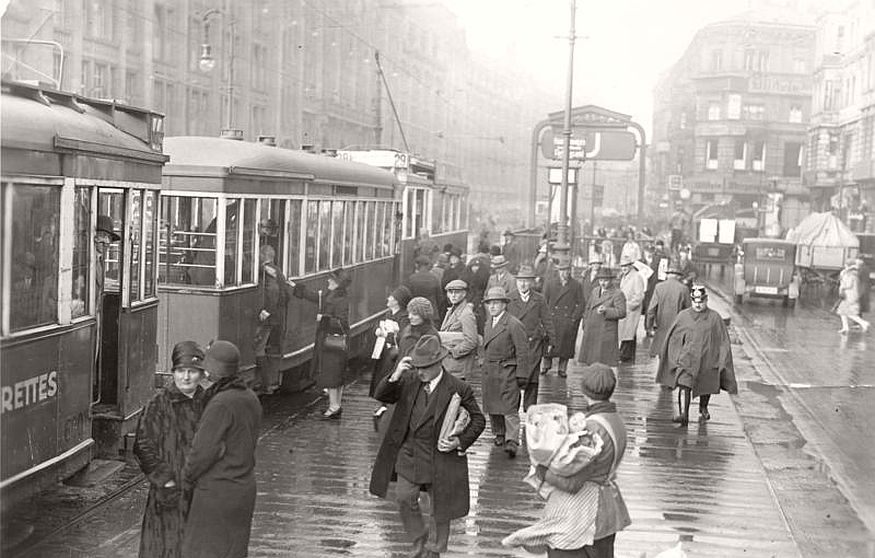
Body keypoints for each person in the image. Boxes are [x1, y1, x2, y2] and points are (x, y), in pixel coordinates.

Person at [369, 335, 486, 558]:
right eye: (417, 366)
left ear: (438, 364)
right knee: (404, 497)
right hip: (409, 452)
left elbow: (479, 420)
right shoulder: (409, 380)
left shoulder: (457, 387)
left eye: (424, 367)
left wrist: (459, 442)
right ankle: (417, 537)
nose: (420, 371)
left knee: (440, 509)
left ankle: (434, 549)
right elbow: (381, 395)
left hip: (440, 457)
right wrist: (395, 375)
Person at [505, 363, 631, 557]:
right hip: (608, 508)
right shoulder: (616, 420)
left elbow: (572, 484)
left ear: (583, 390)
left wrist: (542, 471)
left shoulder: (591, 429)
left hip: (582, 514)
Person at [182, 340, 262, 558]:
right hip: (243, 489)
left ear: (212, 371)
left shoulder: (221, 404)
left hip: (216, 493)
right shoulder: (249, 398)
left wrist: (187, 478)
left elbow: (202, 453)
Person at [134, 341, 207, 558]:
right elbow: (143, 445)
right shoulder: (159, 404)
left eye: (192, 372)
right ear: (173, 373)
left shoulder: (209, 403)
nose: (186, 377)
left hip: (200, 493)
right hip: (168, 494)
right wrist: (165, 480)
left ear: (201, 374)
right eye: (181, 371)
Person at [656, 286, 738, 425]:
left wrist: (722, 360)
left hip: (708, 360)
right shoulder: (683, 316)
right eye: (695, 301)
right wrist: (675, 357)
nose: (698, 304)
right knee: (684, 385)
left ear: (706, 300)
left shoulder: (715, 318)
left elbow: (723, 341)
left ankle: (703, 407)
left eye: (701, 301)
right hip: (687, 360)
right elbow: (674, 338)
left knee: (706, 385)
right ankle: (683, 414)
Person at [289, 268, 351, 418]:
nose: (328, 281)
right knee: (334, 374)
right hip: (330, 339)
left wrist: (323, 318)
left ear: (338, 283)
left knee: (332, 374)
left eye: (331, 279)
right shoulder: (333, 295)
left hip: (332, 341)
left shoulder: (340, 299)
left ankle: (334, 407)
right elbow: (316, 297)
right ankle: (335, 405)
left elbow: (342, 322)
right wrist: (296, 288)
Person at [481, 286, 531, 458]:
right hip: (490, 370)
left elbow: (523, 351)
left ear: (504, 304)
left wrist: (522, 374)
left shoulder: (513, 324)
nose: (492, 307)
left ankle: (512, 440)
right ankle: (499, 433)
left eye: (496, 303)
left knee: (509, 407)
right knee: (493, 404)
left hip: (507, 370)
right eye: (490, 303)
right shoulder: (489, 323)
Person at [508, 264, 555, 411]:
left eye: (526, 280)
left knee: (532, 379)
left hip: (533, 344)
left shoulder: (539, 299)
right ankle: (512, 409)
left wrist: (552, 340)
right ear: (516, 281)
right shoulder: (509, 298)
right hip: (513, 344)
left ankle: (530, 411)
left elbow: (547, 319)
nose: (523, 284)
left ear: (532, 282)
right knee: (514, 377)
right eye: (520, 280)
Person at [370, 285, 413, 426]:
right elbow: (380, 326)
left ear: (398, 301)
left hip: (394, 353)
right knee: (382, 376)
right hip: (385, 351)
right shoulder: (389, 313)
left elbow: (403, 335)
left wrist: (387, 334)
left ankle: (386, 404)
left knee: (389, 377)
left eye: (391, 297)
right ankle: (382, 403)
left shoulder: (404, 317)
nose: (388, 299)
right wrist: (377, 330)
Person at [252, 244, 288, 395]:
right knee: (261, 348)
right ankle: (266, 382)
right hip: (275, 317)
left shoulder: (269, 271)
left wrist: (266, 311)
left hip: (269, 318)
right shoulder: (275, 270)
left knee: (259, 349)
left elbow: (273, 291)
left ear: (263, 256)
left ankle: (265, 384)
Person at [542, 262, 584, 378]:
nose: (565, 273)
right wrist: (544, 317)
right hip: (552, 319)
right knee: (549, 343)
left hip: (567, 321)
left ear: (570, 271)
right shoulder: (550, 284)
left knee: (565, 346)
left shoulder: (576, 285)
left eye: (567, 270)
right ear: (558, 271)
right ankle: (546, 365)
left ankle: (562, 368)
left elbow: (581, 304)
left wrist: (573, 318)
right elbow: (544, 301)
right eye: (562, 270)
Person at [578, 268, 626, 368]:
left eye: (605, 280)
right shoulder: (595, 291)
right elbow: (588, 307)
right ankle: (592, 379)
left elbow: (622, 312)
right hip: (591, 329)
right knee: (590, 360)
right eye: (600, 280)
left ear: (611, 280)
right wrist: (585, 323)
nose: (602, 283)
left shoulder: (617, 294)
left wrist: (607, 310)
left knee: (604, 361)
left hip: (605, 331)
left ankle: (605, 381)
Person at [645, 264, 691, 363]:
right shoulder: (684, 289)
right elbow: (689, 313)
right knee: (675, 359)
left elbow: (651, 310)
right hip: (678, 330)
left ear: (668, 275)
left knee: (662, 360)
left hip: (661, 329)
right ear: (678, 276)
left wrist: (649, 327)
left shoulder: (659, 287)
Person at [439, 279, 478, 381]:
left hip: (459, 366)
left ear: (464, 294)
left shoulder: (466, 314)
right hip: (449, 365)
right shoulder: (451, 311)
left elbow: (471, 341)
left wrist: (452, 351)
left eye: (457, 292)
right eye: (450, 292)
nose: (453, 295)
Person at [617, 256, 646, 364]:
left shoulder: (636, 277)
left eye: (626, 266)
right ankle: (628, 357)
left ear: (630, 266)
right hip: (626, 310)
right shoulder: (625, 276)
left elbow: (639, 296)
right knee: (628, 334)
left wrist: (628, 305)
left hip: (631, 310)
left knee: (628, 333)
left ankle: (625, 356)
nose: (623, 268)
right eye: (622, 266)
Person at [836, 258, 871, 333]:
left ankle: (863, 323)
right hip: (851, 295)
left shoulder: (850, 274)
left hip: (849, 296)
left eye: (846, 265)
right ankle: (845, 327)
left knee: (847, 312)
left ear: (848, 265)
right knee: (842, 311)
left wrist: (842, 287)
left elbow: (849, 284)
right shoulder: (854, 272)